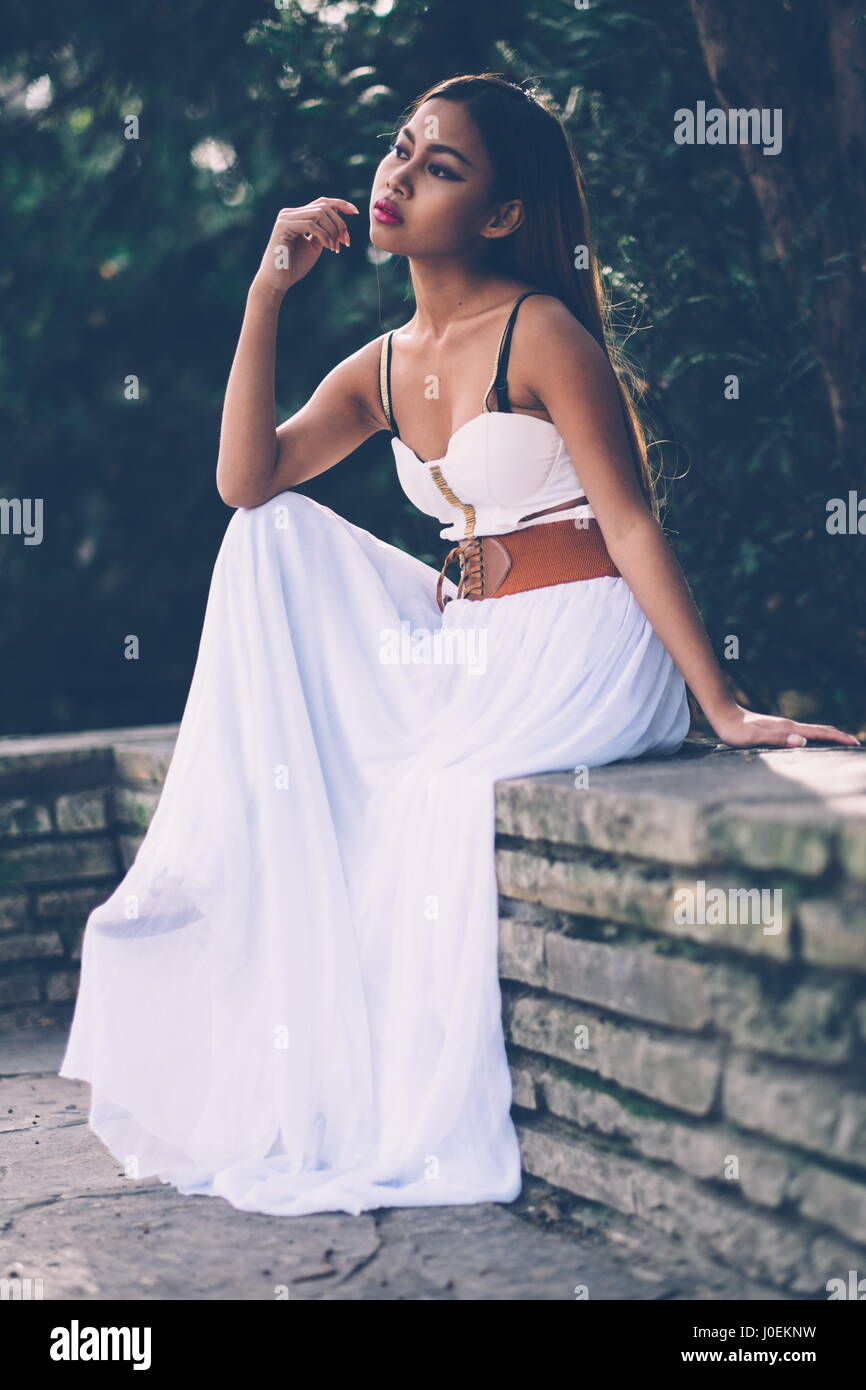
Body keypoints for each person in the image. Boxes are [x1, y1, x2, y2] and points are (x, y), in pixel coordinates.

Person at [59, 74, 858, 1219]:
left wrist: (720, 705)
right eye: (400, 149)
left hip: (579, 639)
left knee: (415, 802)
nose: (398, 175)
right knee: (269, 538)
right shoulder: (384, 362)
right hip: (467, 639)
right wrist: (268, 289)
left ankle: (393, 1107)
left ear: (497, 214)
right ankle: (308, 1067)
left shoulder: (539, 332)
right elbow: (244, 481)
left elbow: (629, 520)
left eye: (441, 166)